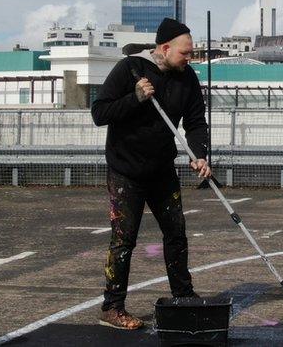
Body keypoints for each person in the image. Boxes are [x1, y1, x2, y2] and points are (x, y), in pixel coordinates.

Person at [90, 17, 211, 330]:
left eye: (191, 54)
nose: (190, 59)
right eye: (185, 53)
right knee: (123, 240)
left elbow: (196, 122)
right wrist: (136, 98)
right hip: (125, 170)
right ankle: (112, 307)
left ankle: (183, 295)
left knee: (176, 233)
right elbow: (99, 113)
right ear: (166, 47)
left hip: (161, 169)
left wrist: (200, 154)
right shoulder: (131, 68)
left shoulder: (187, 78)